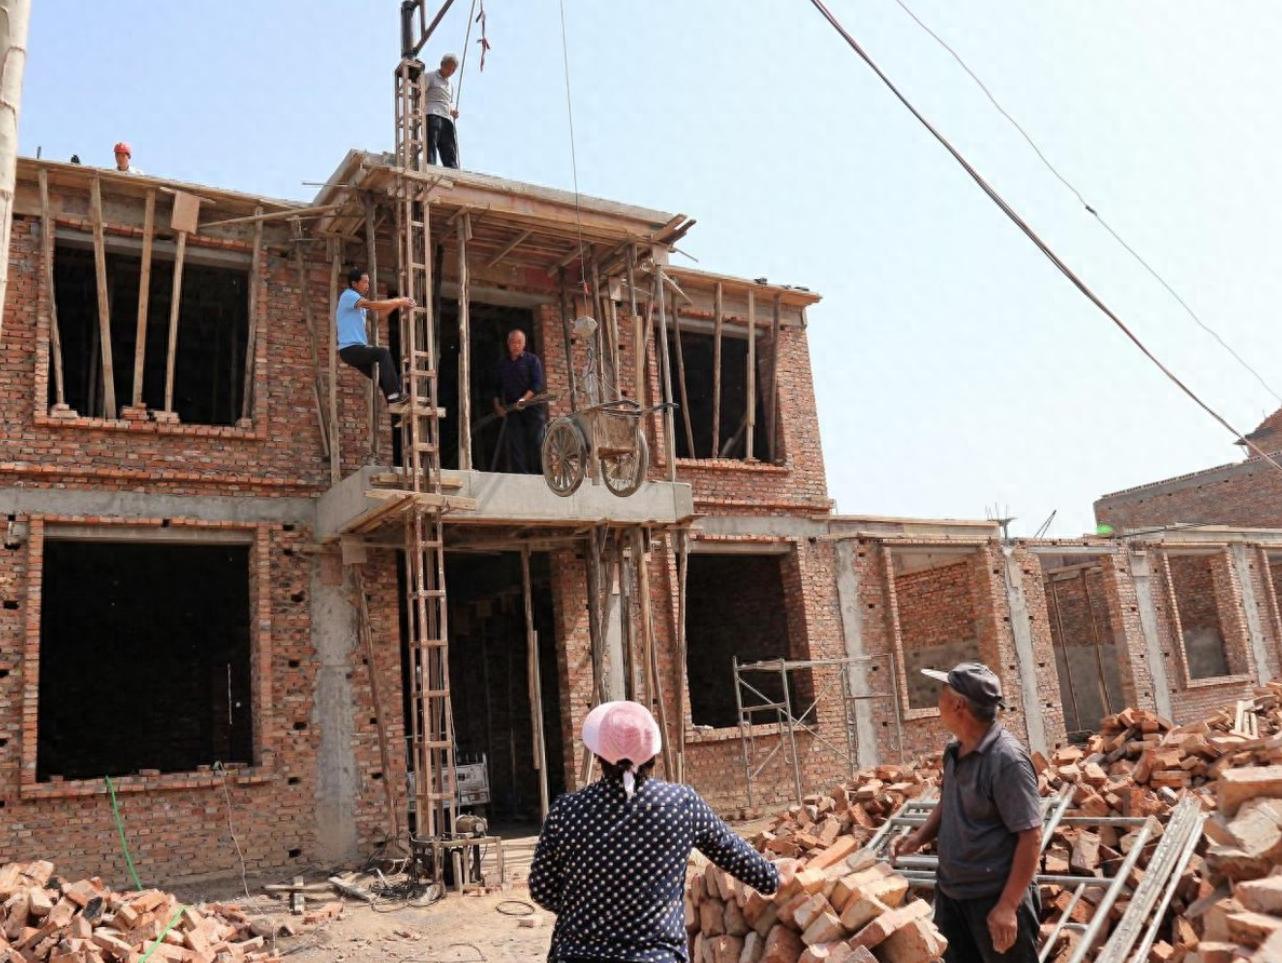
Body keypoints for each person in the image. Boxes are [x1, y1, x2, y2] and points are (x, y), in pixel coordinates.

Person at [529, 701, 779, 962]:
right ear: (652, 756)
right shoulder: (681, 804)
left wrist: (588, 909)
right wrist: (778, 875)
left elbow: (542, 889)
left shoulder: (567, 811)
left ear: (599, 756)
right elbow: (749, 867)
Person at [890, 662, 1042, 962]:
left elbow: (1031, 836)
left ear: (958, 705)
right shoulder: (954, 751)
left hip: (993, 899)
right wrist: (918, 837)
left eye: (941, 692)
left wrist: (1008, 906)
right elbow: (948, 801)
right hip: (952, 896)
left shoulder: (1007, 761)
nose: (938, 700)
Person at [336, 268, 414, 406]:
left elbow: (378, 317)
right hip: (350, 349)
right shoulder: (349, 295)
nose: (368, 285)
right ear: (354, 284)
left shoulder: (358, 304)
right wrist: (398, 301)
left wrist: (396, 305)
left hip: (353, 350)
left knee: (380, 376)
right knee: (383, 353)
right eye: (364, 282)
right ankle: (393, 395)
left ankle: (394, 398)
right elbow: (371, 305)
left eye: (368, 282)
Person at [493, 329, 545, 474]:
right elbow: (496, 388)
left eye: (519, 342)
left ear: (524, 344)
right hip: (513, 409)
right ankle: (521, 474)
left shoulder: (532, 360)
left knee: (536, 440)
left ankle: (539, 474)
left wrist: (524, 399)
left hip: (532, 406)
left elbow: (537, 385)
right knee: (516, 443)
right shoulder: (502, 364)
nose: (516, 345)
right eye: (513, 342)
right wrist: (498, 406)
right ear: (508, 343)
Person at [425, 53, 460, 169]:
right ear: (442, 65)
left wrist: (452, 111)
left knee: (449, 148)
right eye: (449, 68)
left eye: (453, 70)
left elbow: (448, 103)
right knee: (431, 144)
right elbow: (419, 93)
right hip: (432, 114)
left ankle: (453, 171)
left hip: (446, 118)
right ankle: (430, 168)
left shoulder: (450, 85)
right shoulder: (430, 76)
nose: (451, 72)